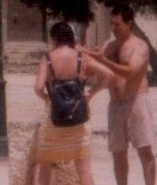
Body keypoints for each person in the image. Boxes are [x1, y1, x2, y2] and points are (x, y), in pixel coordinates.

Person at [33, 21, 114, 185]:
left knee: (44, 167)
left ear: (53, 38)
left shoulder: (47, 58)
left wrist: (47, 99)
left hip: (53, 119)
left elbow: (38, 87)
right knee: (83, 168)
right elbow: (109, 75)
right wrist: (90, 94)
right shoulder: (81, 57)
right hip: (79, 117)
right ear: (71, 37)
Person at [85, 4, 156, 185]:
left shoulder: (139, 46)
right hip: (116, 104)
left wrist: (103, 60)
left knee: (144, 151)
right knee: (118, 152)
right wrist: (82, 54)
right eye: (112, 24)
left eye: (118, 24)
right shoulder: (110, 46)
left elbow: (130, 72)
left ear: (129, 23)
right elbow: (103, 73)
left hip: (136, 102)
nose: (113, 28)